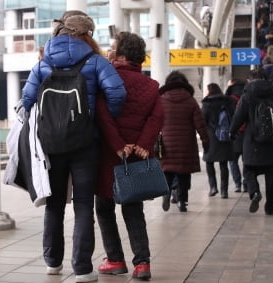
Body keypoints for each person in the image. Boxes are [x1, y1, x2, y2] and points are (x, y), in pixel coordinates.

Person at [22, 10, 126, 283]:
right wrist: (97, 121)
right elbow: (117, 92)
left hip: (51, 143)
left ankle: (52, 263)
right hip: (85, 143)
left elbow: (26, 100)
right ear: (86, 34)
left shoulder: (43, 63)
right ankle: (82, 269)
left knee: (54, 205)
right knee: (83, 205)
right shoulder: (95, 61)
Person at [95, 32, 163, 281]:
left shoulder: (107, 80)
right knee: (134, 208)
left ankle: (114, 259)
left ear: (122, 55)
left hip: (110, 155)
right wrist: (143, 144)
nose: (109, 52)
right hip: (136, 156)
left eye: (112, 48)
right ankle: (142, 263)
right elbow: (157, 117)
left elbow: (103, 115)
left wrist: (117, 145)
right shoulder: (152, 85)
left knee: (104, 206)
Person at [229, 69, 273, 215]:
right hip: (272, 142)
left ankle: (255, 193)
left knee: (248, 170)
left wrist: (232, 132)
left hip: (253, 141)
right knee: (271, 174)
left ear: (250, 80)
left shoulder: (247, 96)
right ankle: (270, 208)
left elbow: (238, 117)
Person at [159, 70, 208, 212]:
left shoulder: (161, 100)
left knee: (167, 172)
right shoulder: (190, 100)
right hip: (186, 144)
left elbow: (155, 121)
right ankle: (182, 201)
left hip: (167, 142)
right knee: (183, 174)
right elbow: (200, 123)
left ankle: (167, 194)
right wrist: (205, 140)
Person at [202, 83, 236, 199]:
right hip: (224, 136)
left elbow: (202, 121)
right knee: (223, 164)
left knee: (209, 162)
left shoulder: (206, 103)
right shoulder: (228, 102)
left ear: (210, 91)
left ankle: (213, 187)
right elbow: (233, 116)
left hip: (211, 136)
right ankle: (224, 191)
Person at [225, 79, 246, 193]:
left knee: (233, 161)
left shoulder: (229, 98)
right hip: (247, 133)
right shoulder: (247, 95)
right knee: (246, 160)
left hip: (234, 133)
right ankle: (247, 184)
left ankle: (238, 184)